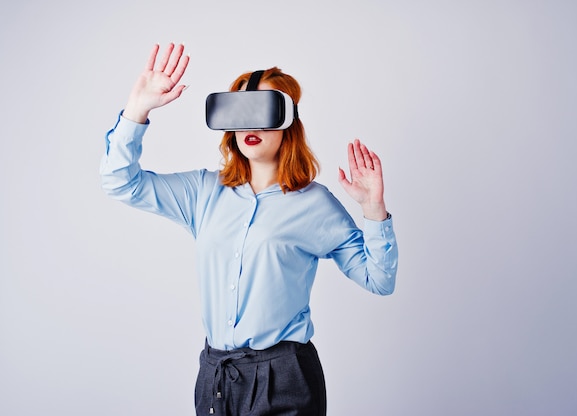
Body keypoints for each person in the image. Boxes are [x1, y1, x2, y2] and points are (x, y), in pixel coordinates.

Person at [100, 43, 398, 416]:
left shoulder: (314, 204)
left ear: (288, 120)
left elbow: (379, 279)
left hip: (285, 377)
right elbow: (119, 182)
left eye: (263, 111)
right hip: (216, 377)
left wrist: (373, 209)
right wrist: (137, 110)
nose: (250, 125)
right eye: (240, 111)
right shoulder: (202, 192)